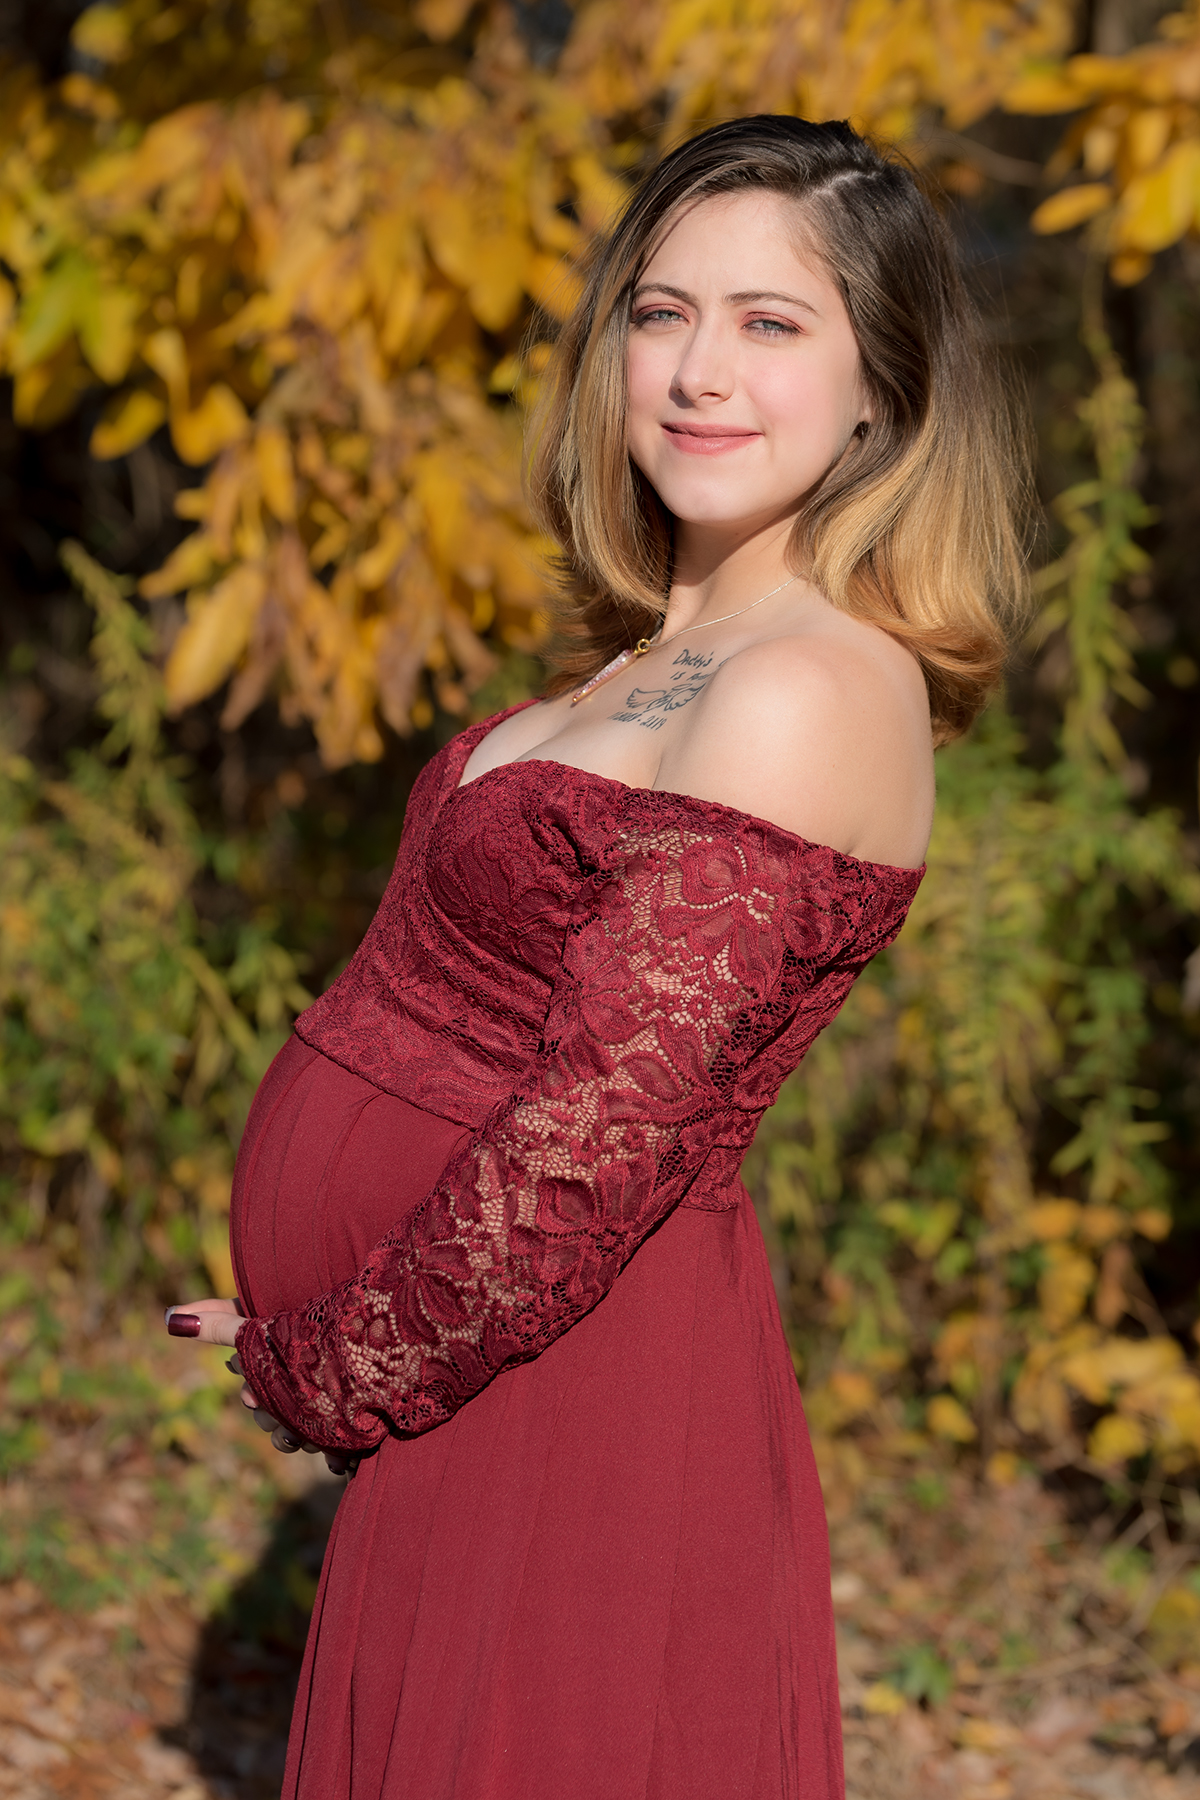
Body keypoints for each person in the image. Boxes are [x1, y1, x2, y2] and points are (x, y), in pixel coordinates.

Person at [165, 114, 1026, 1800]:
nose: (699, 372)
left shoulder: (809, 683)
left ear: (882, 388)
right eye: (661, 312)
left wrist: (330, 1365)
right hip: (480, 1389)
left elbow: (590, 1148)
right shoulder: (658, 657)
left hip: (575, 1401)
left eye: (769, 323)